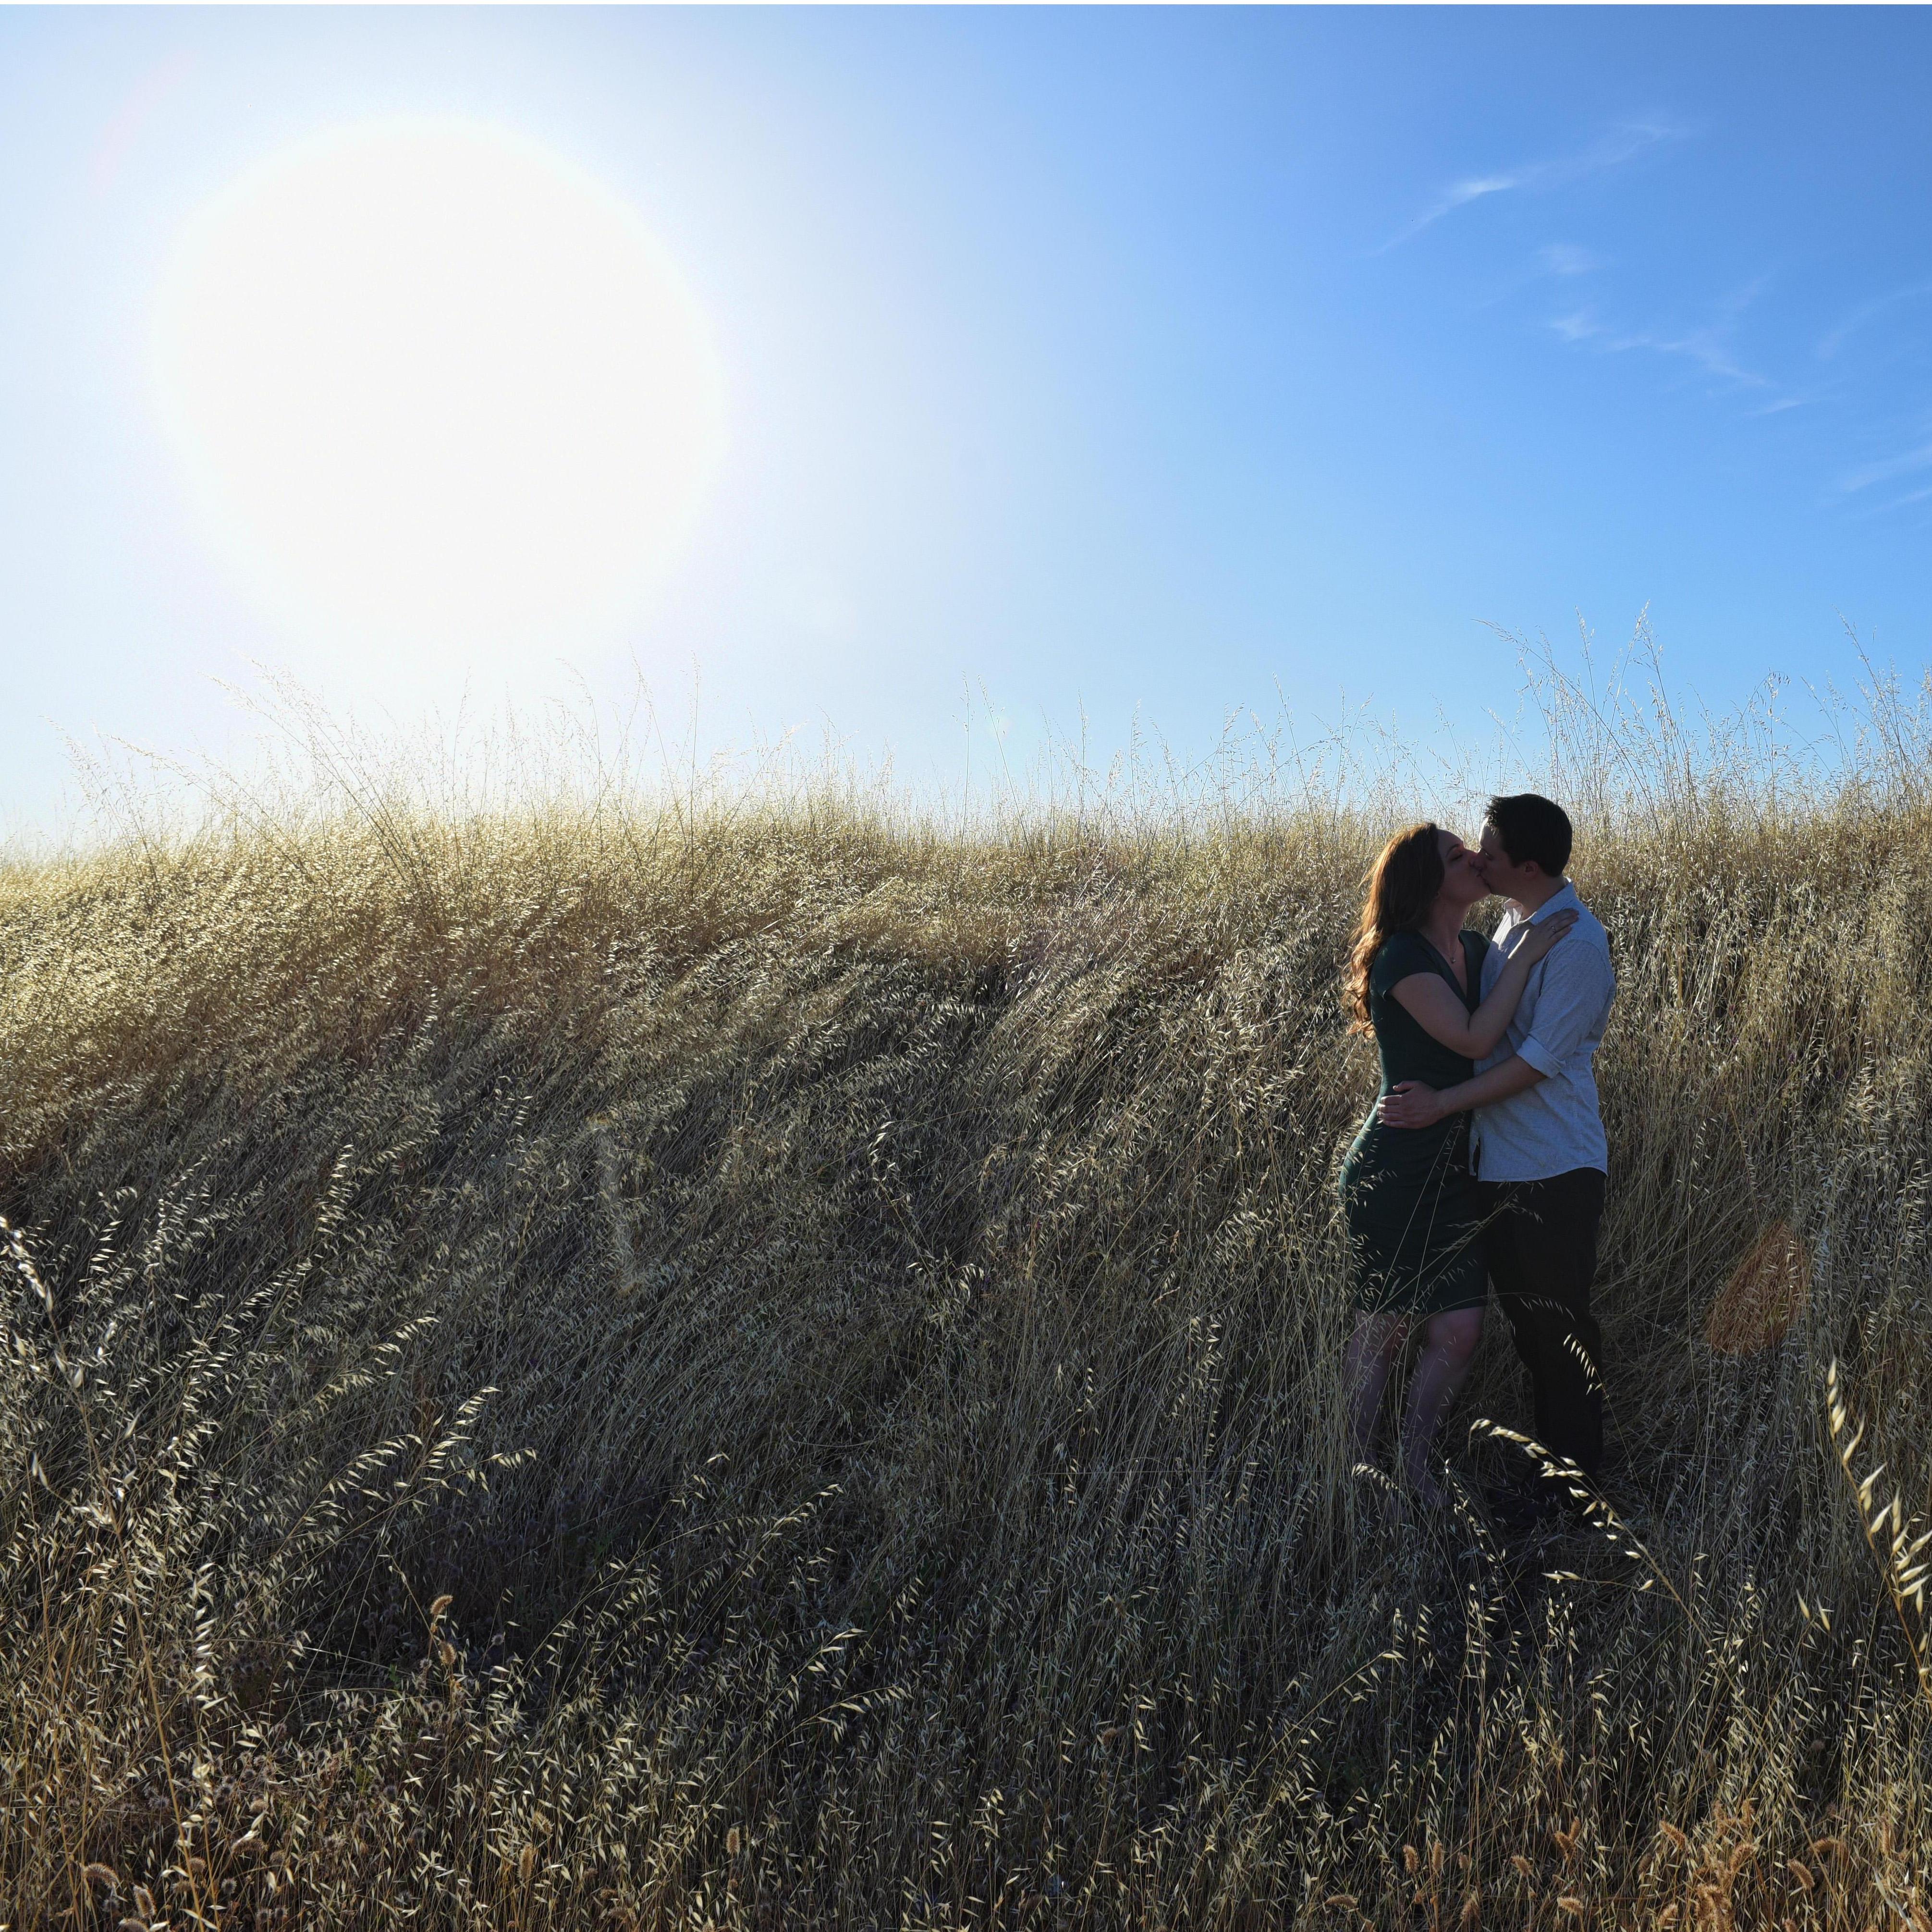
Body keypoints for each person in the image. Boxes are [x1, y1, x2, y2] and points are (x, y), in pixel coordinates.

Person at [1379, 794, 1617, 1522]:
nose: (1478, 858)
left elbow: (1537, 1062)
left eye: (1487, 849)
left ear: (1529, 864)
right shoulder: (1512, 926)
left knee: (1558, 1329)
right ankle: (1554, 1480)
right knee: (1532, 1330)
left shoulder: (1574, 943)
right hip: (1499, 1162)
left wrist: (1447, 1105)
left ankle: (1576, 1493)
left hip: (1551, 1163)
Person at [1340, 822, 1577, 1508]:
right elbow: (1475, 1035)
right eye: (1456, 855)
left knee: (1460, 1327)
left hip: (1456, 1168)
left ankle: (1413, 1460)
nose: (1475, 858)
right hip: (1394, 1166)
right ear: (1424, 881)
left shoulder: (1475, 948)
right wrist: (1530, 957)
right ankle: (1356, 1465)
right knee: (1383, 1327)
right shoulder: (1399, 958)